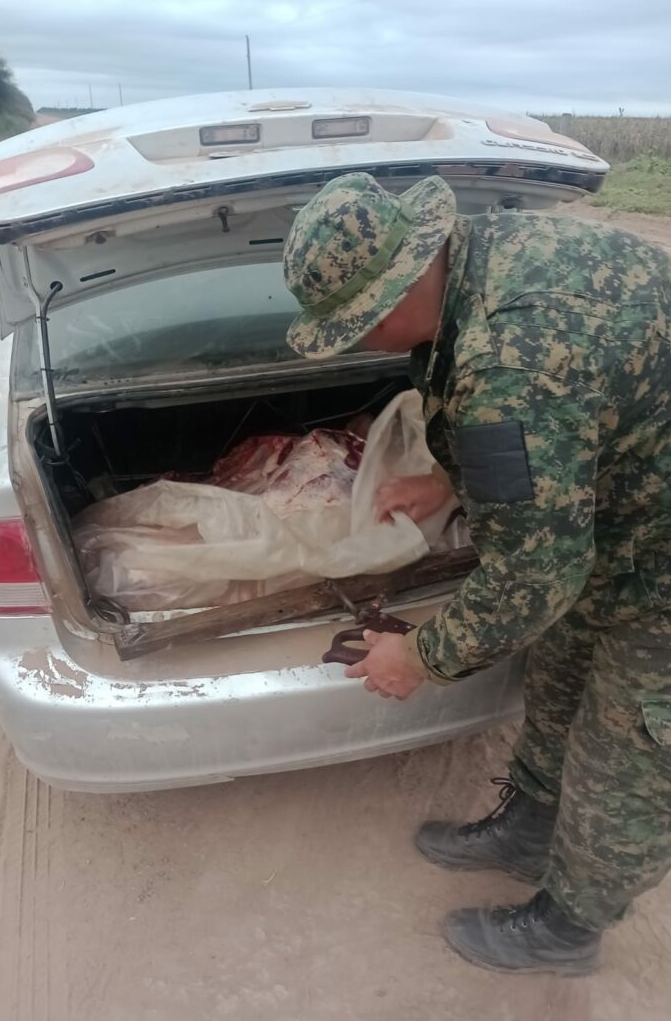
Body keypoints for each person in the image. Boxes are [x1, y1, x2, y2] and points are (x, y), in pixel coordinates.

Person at [282, 171, 671, 975]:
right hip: (628, 495)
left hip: (656, 543)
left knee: (629, 739)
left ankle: (567, 928)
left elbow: (535, 571)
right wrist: (451, 478)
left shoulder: (510, 366)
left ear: (390, 303)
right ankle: (530, 832)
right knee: (560, 667)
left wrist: (418, 656)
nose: (356, 345)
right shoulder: (482, 257)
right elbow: (564, 433)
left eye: (353, 329)